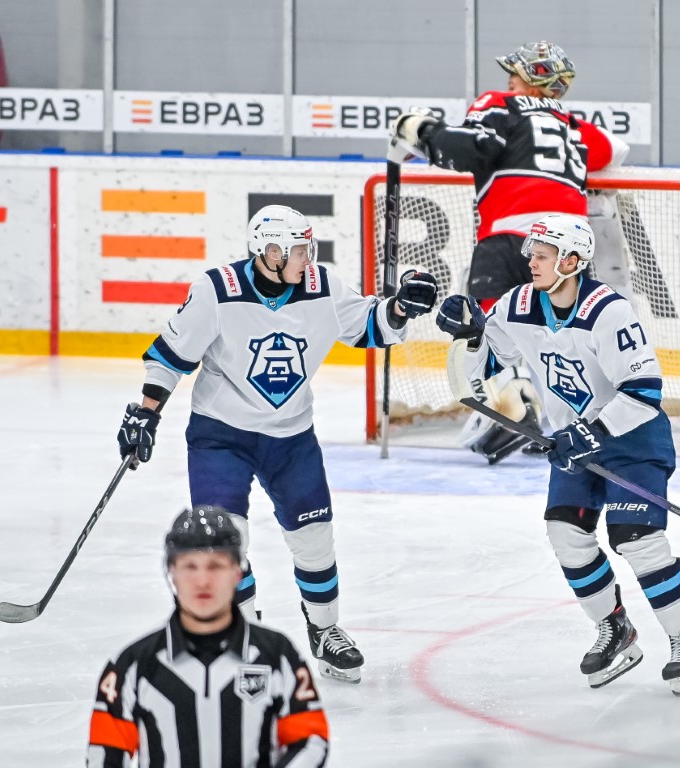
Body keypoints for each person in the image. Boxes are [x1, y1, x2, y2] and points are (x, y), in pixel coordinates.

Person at [116, 205, 437, 683]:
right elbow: (171, 354)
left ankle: (324, 630)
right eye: (299, 250)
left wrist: (399, 307)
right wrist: (146, 411)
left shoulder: (322, 286)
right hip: (220, 436)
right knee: (224, 539)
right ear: (270, 252)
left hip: (291, 437)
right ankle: (243, 635)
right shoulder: (217, 291)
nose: (307, 259)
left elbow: (369, 325)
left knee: (314, 540)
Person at [435, 214, 680, 695]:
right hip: (572, 445)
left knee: (637, 541)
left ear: (573, 261)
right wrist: (469, 331)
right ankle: (614, 628)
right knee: (566, 534)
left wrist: (589, 432)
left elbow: (643, 391)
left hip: (632, 443)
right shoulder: (517, 304)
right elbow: (488, 359)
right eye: (531, 253)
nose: (531, 262)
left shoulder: (609, 311)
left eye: (542, 255)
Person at [390, 40, 629, 464]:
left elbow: (470, 149)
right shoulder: (577, 126)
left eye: (516, 74)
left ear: (534, 82)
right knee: (560, 340)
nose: (509, 80)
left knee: (488, 331)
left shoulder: (502, 103)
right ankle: (575, 422)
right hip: (570, 249)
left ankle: (513, 409)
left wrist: (421, 131)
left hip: (510, 237)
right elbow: (614, 151)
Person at [87, 507, 329, 766]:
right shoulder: (133, 665)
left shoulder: (277, 655)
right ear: (172, 573)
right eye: (190, 566)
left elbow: (310, 741)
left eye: (216, 566)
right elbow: (105, 754)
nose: (202, 580)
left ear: (237, 572)